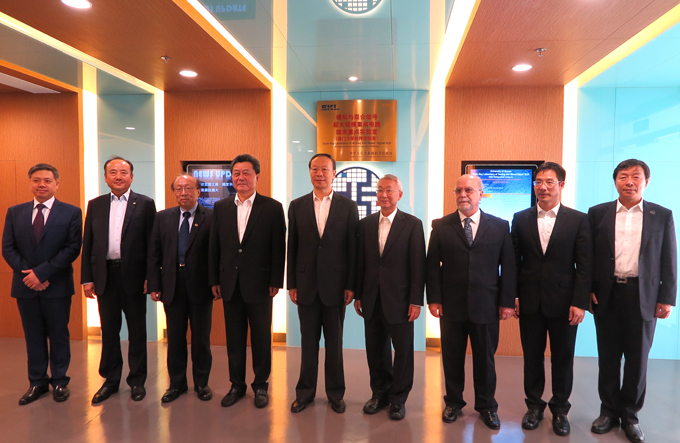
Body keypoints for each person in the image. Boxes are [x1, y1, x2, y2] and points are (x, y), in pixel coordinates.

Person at [588, 159, 676, 443]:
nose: (629, 181)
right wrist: (587, 289)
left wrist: (667, 297)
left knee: (638, 360)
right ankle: (608, 412)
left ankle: (630, 416)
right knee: (608, 358)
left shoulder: (661, 215)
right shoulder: (597, 213)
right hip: (607, 293)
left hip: (644, 296)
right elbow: (588, 256)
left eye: (636, 176)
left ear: (646, 182)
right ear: (615, 181)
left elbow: (669, 258)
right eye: (623, 176)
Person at [426, 174, 516, 429]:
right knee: (452, 357)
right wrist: (434, 299)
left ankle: (487, 406)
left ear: (480, 194)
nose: (463, 194)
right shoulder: (441, 226)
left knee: (485, 359)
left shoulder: (499, 226)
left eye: (468, 190)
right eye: (458, 190)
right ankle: (453, 403)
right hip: (451, 305)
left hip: (487, 305)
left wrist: (507, 301)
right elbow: (432, 267)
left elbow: (508, 267)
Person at [511, 162, 592, 436]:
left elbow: (585, 265)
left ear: (561, 185)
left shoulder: (578, 220)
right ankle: (534, 406)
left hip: (565, 303)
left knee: (563, 359)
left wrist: (580, 302)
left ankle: (560, 410)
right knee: (532, 357)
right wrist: (514, 295)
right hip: (530, 301)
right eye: (538, 182)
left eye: (549, 182)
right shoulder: (520, 218)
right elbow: (513, 262)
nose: (542, 187)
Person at [209, 154, 286, 409]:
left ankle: (261, 385)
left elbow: (278, 247)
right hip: (229, 283)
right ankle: (237, 385)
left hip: (261, 284)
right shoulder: (221, 207)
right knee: (235, 338)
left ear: (257, 177)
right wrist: (214, 279)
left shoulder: (272, 207)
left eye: (246, 173)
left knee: (262, 338)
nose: (240, 178)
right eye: (236, 173)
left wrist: (276, 280)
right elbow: (214, 247)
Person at [2, 163, 82, 405]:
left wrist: (42, 273)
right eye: (36, 180)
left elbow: (72, 248)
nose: (42, 185)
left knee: (59, 335)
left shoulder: (71, 212)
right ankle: (37, 382)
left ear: (57, 183)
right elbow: (8, 248)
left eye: (47, 180)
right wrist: (30, 276)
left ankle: (59, 381)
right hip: (25, 286)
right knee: (33, 336)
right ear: (30, 183)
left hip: (57, 285)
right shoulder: (15, 212)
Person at [81, 156, 156, 404]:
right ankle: (111, 380)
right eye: (113, 172)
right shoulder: (96, 205)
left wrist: (151, 277)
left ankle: (137, 381)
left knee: (137, 331)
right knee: (109, 330)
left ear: (131, 177)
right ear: (105, 177)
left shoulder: (145, 204)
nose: (118, 176)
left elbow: (152, 244)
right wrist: (87, 278)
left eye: (124, 172)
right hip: (105, 276)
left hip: (135, 277)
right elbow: (88, 243)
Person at [287, 153, 358, 414]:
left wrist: (351, 284)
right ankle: (304, 393)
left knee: (334, 345)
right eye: (315, 169)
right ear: (309, 173)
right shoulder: (296, 205)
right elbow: (292, 246)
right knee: (308, 344)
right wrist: (292, 283)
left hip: (336, 287)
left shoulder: (348, 206)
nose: (320, 173)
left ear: (334, 173)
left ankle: (335, 394)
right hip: (305, 286)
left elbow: (352, 249)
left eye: (325, 169)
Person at [354, 174, 426, 421]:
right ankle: (379, 394)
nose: (384, 195)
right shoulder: (365, 224)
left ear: (399, 195)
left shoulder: (412, 224)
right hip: (372, 299)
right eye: (380, 190)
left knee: (403, 352)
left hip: (402, 301)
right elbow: (361, 263)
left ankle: (398, 399)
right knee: (375, 350)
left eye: (389, 190)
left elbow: (418, 264)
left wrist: (416, 300)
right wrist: (359, 295)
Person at [147, 174, 214, 403]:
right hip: (171, 286)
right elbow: (154, 253)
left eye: (188, 188)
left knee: (201, 339)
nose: (183, 192)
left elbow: (216, 253)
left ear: (198, 191)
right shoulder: (162, 217)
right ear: (174, 192)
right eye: (179, 189)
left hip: (201, 287)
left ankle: (202, 383)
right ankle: (177, 384)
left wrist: (216, 283)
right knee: (175, 338)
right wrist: (154, 284)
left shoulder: (211, 217)